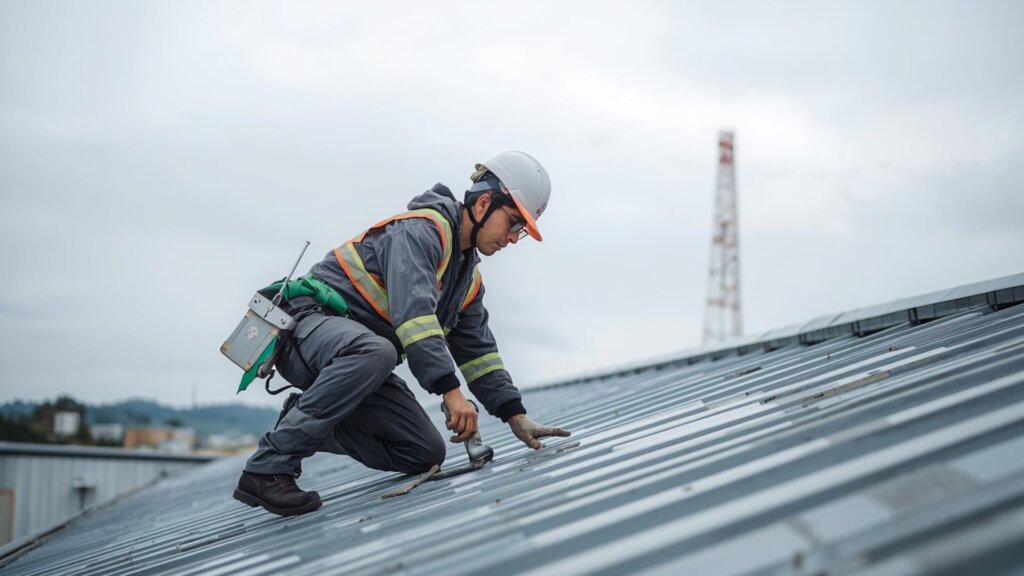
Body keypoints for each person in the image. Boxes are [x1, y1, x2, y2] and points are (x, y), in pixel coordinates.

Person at [233, 151, 571, 516]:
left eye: (521, 230)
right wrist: (451, 393)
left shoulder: (466, 280)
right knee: (377, 351)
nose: (514, 238)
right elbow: (415, 320)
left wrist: (514, 415)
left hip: (356, 363)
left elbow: (479, 355)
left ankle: (301, 420)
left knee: (424, 452)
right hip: (306, 333)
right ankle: (268, 468)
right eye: (513, 223)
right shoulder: (422, 231)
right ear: (485, 202)